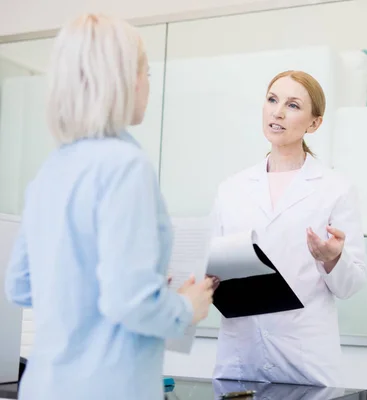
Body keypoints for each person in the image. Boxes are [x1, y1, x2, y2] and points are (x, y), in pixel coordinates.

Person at [3, 14, 214, 400]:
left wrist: (128, 283)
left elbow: (20, 285)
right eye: (146, 72)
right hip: (108, 387)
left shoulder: (50, 170)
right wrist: (185, 306)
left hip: (43, 386)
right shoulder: (125, 167)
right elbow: (127, 301)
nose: (149, 84)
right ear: (123, 79)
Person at [211, 70, 367, 387]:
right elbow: (210, 262)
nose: (277, 112)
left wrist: (332, 258)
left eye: (293, 105)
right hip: (242, 353)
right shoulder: (231, 189)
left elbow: (351, 285)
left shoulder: (335, 189)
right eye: (272, 100)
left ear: (314, 123)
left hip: (304, 357)